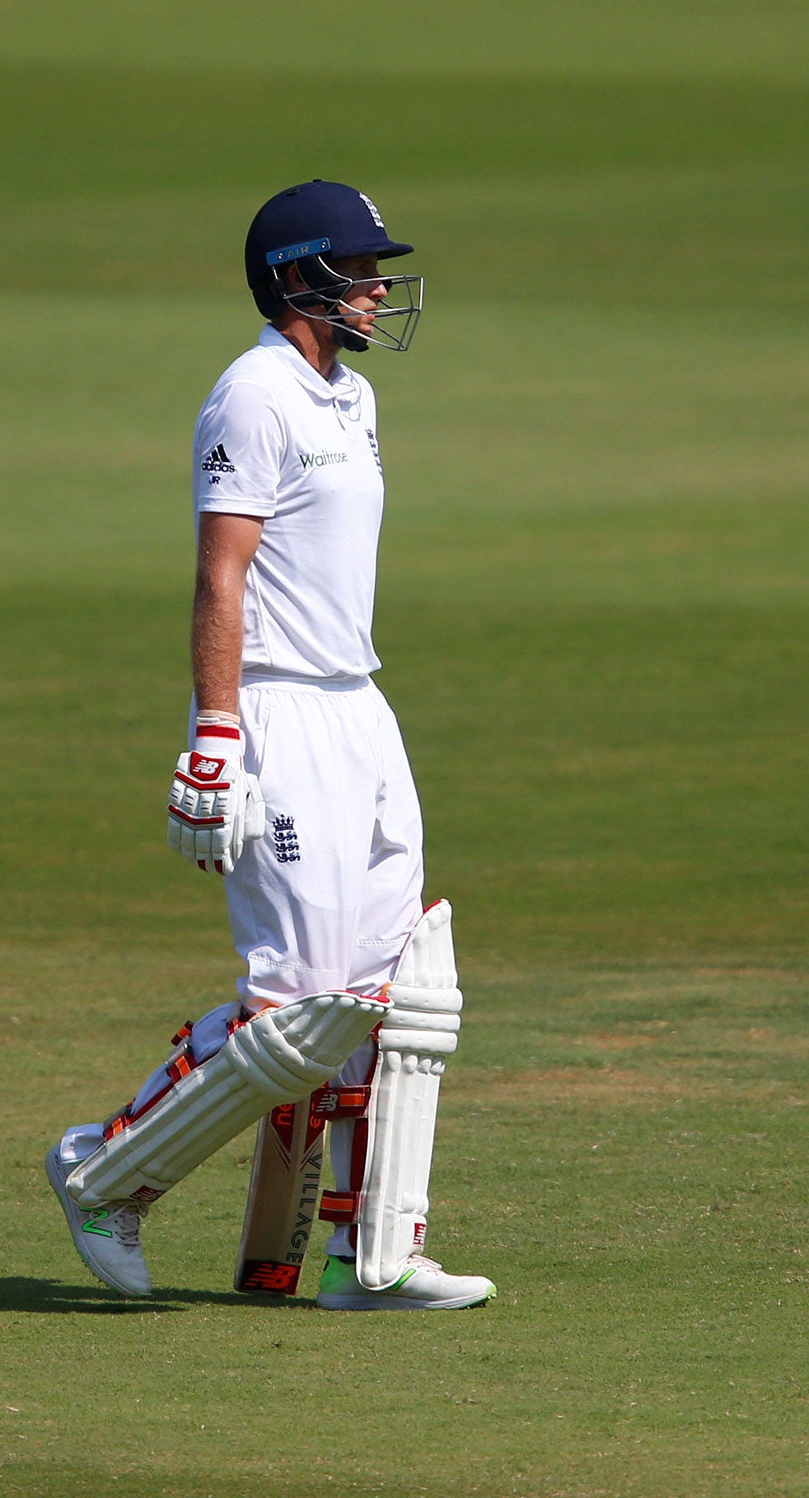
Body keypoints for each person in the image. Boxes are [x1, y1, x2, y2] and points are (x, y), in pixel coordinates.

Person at [44, 180, 494, 1311]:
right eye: (358, 270)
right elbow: (221, 572)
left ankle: (366, 1256)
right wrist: (213, 735)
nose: (380, 288)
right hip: (279, 712)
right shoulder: (252, 396)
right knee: (298, 1004)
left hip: (360, 706)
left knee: (394, 989)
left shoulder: (352, 398)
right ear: (298, 279)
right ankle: (103, 1175)